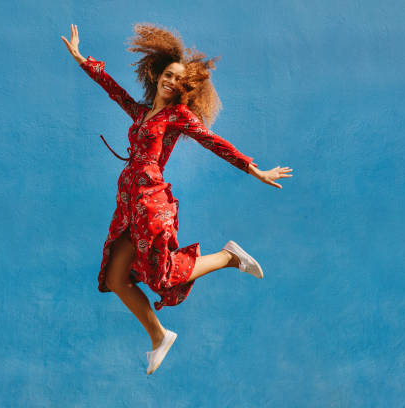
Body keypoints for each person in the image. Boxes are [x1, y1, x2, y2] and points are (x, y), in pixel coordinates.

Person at [61, 23, 293, 374]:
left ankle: (229, 257)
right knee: (115, 278)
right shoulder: (142, 113)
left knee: (165, 276)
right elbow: (114, 91)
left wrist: (253, 169)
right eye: (167, 75)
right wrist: (82, 60)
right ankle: (159, 337)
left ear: (184, 88)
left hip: (150, 201)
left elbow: (213, 141)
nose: (170, 82)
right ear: (157, 75)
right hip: (127, 205)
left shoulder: (177, 116)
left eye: (178, 80)